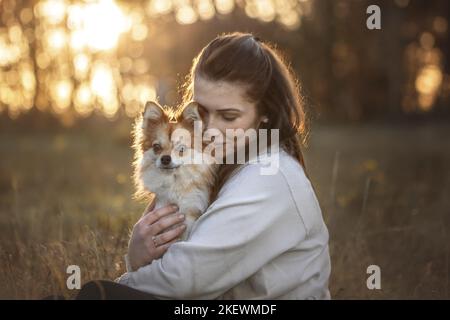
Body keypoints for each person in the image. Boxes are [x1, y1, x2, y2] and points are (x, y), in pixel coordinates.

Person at [73, 32, 331, 300]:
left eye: (229, 116)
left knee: (98, 295)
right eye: (203, 113)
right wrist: (140, 255)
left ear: (265, 113)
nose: (210, 131)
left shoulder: (270, 175)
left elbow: (186, 280)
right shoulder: (217, 163)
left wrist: (129, 273)